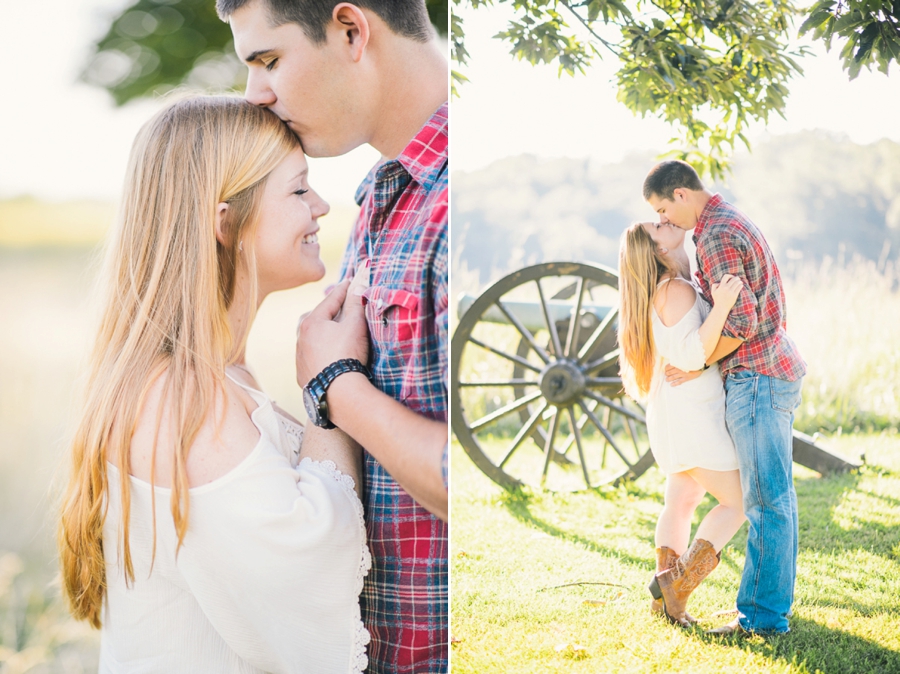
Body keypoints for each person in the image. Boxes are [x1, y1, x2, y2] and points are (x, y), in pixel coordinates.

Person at [58, 96, 372, 673]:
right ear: (225, 222)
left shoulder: (209, 378)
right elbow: (309, 575)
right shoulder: (181, 401)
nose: (322, 206)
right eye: (299, 190)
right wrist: (331, 384)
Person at [216, 1, 449, 670]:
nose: (256, 93)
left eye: (268, 60)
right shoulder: (385, 193)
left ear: (351, 30)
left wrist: (334, 385)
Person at [643, 160, 806, 636]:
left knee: (766, 505)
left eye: (662, 209)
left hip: (756, 377)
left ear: (680, 194)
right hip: (763, 372)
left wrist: (695, 362)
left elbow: (742, 323)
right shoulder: (723, 222)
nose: (665, 220)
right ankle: (686, 596)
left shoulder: (713, 236)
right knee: (766, 501)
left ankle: (761, 620)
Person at [618, 221, 747, 626]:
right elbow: (692, 356)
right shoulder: (675, 291)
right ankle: (677, 586)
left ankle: (664, 603)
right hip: (692, 416)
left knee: (680, 502)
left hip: (673, 416)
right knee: (740, 501)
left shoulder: (665, 291)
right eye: (658, 225)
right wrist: (724, 305)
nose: (666, 222)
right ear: (658, 250)